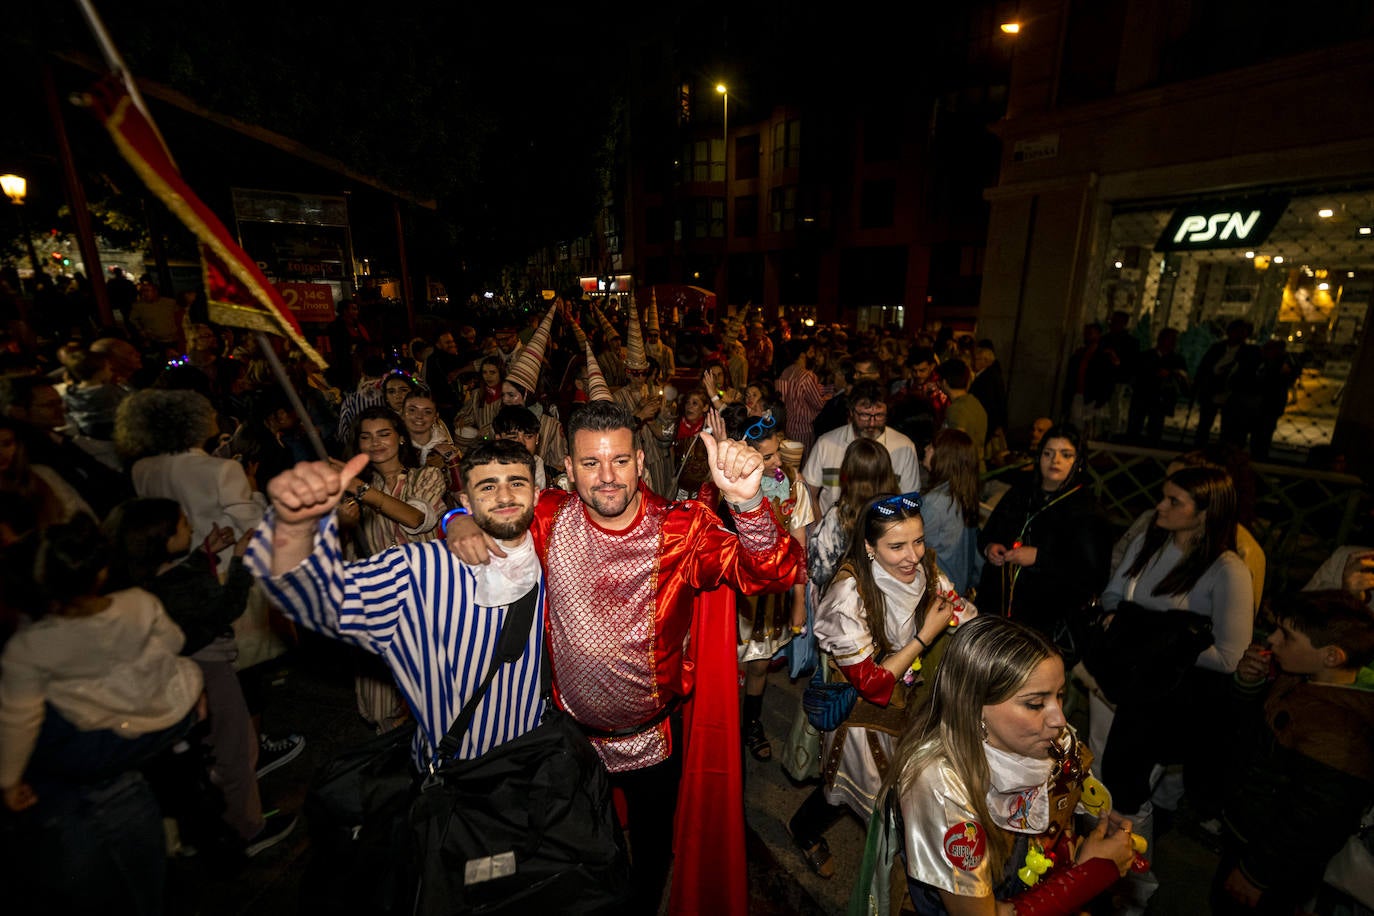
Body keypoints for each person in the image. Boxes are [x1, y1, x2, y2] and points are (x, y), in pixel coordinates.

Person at [445, 400, 802, 914]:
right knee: (582, 848)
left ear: (640, 459)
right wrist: (456, 519)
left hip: (653, 741)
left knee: (651, 854)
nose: (607, 477)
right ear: (568, 469)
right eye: (590, 463)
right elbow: (483, 510)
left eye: (619, 461)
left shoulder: (682, 529)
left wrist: (747, 503)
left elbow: (774, 573)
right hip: (567, 741)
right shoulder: (547, 515)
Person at [0, 517, 205, 915]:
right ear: (101, 571)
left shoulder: (29, 647)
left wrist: (9, 780)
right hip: (160, 716)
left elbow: (18, 717)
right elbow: (175, 641)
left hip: (100, 735)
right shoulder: (139, 603)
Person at [888, 616, 1137, 915]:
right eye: (1035, 704)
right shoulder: (938, 786)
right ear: (974, 705)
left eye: (1059, 696)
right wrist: (1087, 874)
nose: (1059, 720)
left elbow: (1068, 796)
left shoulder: (1049, 739)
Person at [787, 492, 970, 879]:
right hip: (865, 721)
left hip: (911, 709)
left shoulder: (927, 570)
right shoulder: (847, 596)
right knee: (853, 789)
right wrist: (925, 636)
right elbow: (871, 682)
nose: (913, 556)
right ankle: (804, 830)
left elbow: (961, 610)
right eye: (897, 546)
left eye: (918, 541)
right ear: (869, 547)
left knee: (902, 788)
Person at [1094, 465, 1254, 840]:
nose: (1159, 506)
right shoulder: (1150, 540)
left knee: (1128, 795)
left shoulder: (1228, 571)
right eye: (1162, 495)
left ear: (1204, 513)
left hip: (1161, 702)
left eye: (1173, 501)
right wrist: (1122, 624)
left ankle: (1132, 882)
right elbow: (1115, 593)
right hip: (1116, 679)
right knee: (1099, 777)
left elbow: (1231, 655)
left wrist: (1158, 645)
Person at [1213, 590, 1374, 915]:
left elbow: (1314, 821)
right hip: (1246, 836)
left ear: (1332, 656)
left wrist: (1256, 875)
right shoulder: (1303, 677)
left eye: (1286, 635)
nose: (1271, 639)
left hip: (1269, 867)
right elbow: (1254, 736)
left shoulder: (1342, 733)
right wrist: (1248, 685)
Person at [712, 404, 813, 763]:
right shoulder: (725, 489)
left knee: (758, 665)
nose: (774, 463)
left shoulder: (792, 488)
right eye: (766, 457)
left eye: (776, 453)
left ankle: (750, 723)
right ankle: (715, 731)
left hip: (770, 597)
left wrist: (799, 598)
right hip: (732, 595)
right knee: (721, 667)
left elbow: (799, 548)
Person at [338, 405, 448, 732]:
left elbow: (414, 518)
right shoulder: (347, 492)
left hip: (424, 603)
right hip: (376, 604)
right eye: (366, 437)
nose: (376, 443)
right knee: (381, 704)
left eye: (384, 434)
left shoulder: (425, 476)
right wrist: (342, 525)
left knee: (432, 694)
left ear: (400, 438)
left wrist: (360, 490)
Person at [978, 422, 1111, 655]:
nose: (1055, 461)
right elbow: (989, 532)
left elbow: (1093, 576)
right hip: (996, 610)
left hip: (1044, 623)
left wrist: (1040, 558)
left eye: (1065, 455)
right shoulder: (1021, 491)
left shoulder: (1087, 510)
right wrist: (991, 547)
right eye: (1048, 453)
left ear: (1077, 461)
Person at [803, 379, 922, 517]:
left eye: (879, 415)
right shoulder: (825, 443)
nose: (872, 423)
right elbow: (809, 493)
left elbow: (910, 500)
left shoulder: (904, 447)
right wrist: (820, 528)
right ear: (851, 413)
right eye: (865, 415)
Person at [920, 428, 984, 595]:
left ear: (944, 457)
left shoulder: (936, 501)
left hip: (938, 591)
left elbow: (917, 549)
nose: (926, 449)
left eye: (932, 447)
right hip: (958, 589)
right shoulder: (963, 494)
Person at [940, 358, 987, 472]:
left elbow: (958, 446)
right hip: (977, 468)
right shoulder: (975, 403)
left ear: (944, 382)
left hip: (963, 473)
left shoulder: (956, 409)